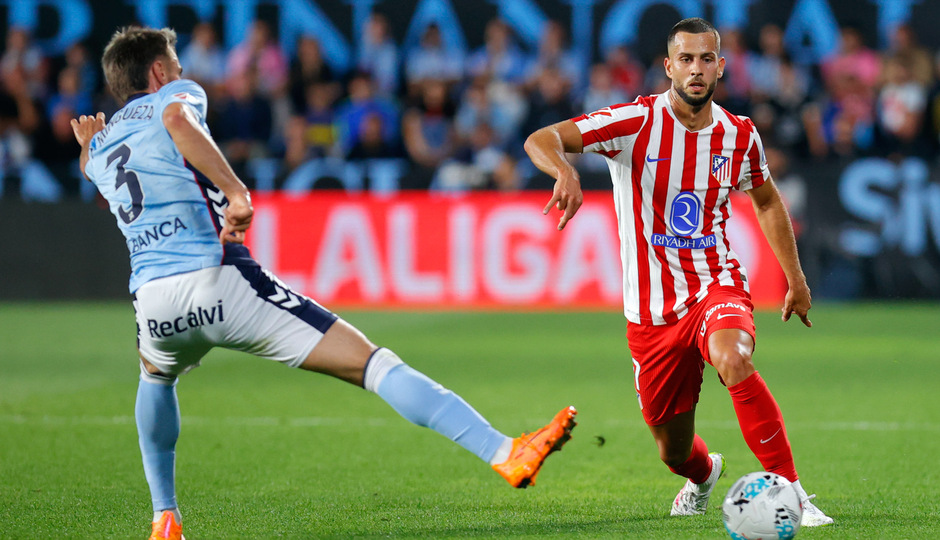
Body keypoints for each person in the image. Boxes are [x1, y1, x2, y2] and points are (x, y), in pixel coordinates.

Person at [71, 26, 577, 540]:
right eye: (176, 66)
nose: (182, 73)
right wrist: (237, 191)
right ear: (159, 72)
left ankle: (165, 517)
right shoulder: (175, 96)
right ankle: (504, 452)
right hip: (218, 278)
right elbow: (177, 120)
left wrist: (88, 148)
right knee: (373, 364)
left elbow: (97, 173)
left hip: (154, 304)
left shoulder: (102, 146)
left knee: (156, 380)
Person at [523, 18, 833, 527]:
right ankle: (703, 475)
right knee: (673, 450)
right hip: (651, 312)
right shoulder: (634, 122)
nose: (696, 69)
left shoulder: (739, 134)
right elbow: (542, 138)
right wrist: (564, 170)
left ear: (720, 67)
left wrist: (795, 279)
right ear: (668, 66)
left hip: (716, 283)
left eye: (706, 59)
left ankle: (793, 494)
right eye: (686, 59)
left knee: (733, 357)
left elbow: (766, 201)